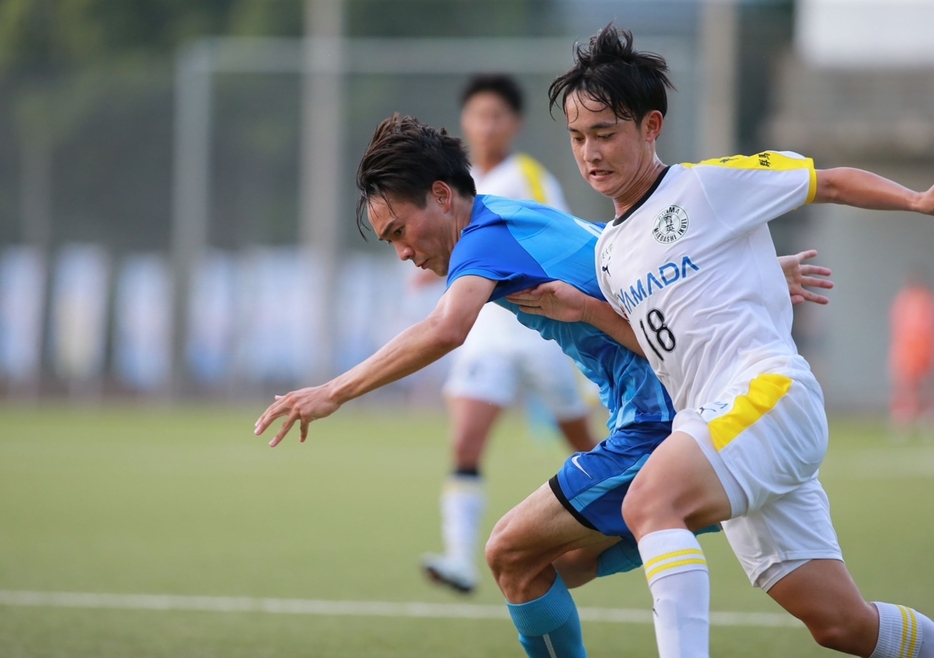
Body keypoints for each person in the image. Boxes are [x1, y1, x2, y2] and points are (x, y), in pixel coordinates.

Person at [254, 114, 833, 658]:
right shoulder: (507, 218)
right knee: (842, 623)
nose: (404, 252)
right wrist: (736, 274)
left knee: (510, 552)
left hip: (663, 421)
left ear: (440, 195)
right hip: (670, 411)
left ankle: (680, 513)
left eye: (400, 232)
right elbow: (618, 254)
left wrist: (333, 391)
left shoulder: (483, 241)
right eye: (390, 243)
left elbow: (446, 329)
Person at [508, 24, 934, 658]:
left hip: (768, 393)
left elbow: (831, 180)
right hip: (721, 423)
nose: (589, 152)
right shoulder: (610, 253)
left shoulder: (707, 185)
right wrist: (588, 311)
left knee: (651, 499)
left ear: (651, 127)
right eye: (577, 137)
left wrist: (919, 200)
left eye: (605, 133)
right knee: (843, 626)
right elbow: (661, 341)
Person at [418, 73, 599, 595]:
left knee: (584, 444)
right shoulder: (453, 188)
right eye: (478, 115)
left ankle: (630, 510)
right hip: (487, 335)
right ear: (466, 122)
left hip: (543, 333)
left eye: (497, 115)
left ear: (513, 124)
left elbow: (558, 236)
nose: (487, 125)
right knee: (466, 442)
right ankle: (458, 559)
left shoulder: (528, 177)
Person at [889, 269, 934, 440]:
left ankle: (926, 419)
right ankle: (903, 420)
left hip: (923, 350)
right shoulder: (903, 300)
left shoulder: (926, 300)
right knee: (905, 386)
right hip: (906, 350)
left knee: (925, 386)